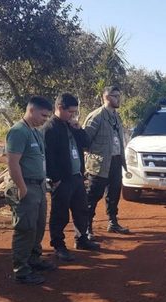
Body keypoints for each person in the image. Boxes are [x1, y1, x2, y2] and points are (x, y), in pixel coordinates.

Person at [42, 93, 100, 262]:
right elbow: (48, 156)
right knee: (60, 213)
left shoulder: (71, 126)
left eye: (75, 112)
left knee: (81, 210)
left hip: (77, 177)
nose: (73, 115)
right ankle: (59, 246)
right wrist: (55, 178)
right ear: (60, 108)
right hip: (62, 179)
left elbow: (86, 144)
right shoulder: (50, 128)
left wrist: (78, 128)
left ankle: (81, 239)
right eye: (71, 112)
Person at [5, 96, 55, 285]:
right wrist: (22, 188)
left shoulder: (33, 131)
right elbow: (13, 163)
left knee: (38, 226)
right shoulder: (18, 131)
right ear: (31, 110)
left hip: (39, 186)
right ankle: (22, 270)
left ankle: (34, 259)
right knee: (25, 229)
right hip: (26, 186)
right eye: (43, 115)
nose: (45, 119)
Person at [83, 86, 130, 239]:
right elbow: (84, 141)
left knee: (114, 193)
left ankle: (113, 222)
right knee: (93, 195)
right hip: (99, 162)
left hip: (115, 160)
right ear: (107, 97)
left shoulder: (116, 116)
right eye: (116, 96)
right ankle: (86, 228)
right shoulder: (96, 116)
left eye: (119, 95)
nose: (119, 99)